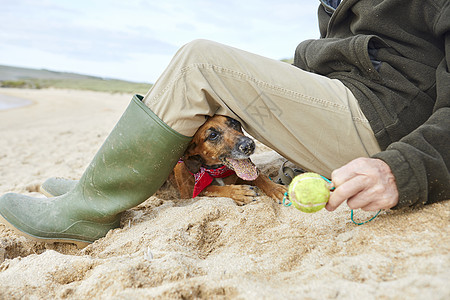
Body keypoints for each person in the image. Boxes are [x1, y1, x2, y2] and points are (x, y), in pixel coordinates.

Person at [0, 0, 448, 246]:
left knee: (201, 60)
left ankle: (87, 210)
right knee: (212, 82)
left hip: (386, 126)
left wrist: (402, 168)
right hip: (356, 109)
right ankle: (92, 191)